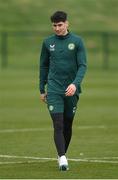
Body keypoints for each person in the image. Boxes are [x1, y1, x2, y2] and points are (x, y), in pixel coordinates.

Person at [39, 11, 87, 171]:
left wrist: (75, 84)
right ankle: (62, 158)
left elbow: (82, 65)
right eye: (54, 25)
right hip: (53, 89)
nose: (57, 28)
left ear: (67, 24)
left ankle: (62, 154)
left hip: (71, 90)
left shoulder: (77, 41)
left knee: (67, 125)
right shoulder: (47, 43)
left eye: (60, 25)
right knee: (58, 124)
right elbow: (43, 66)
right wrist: (41, 88)